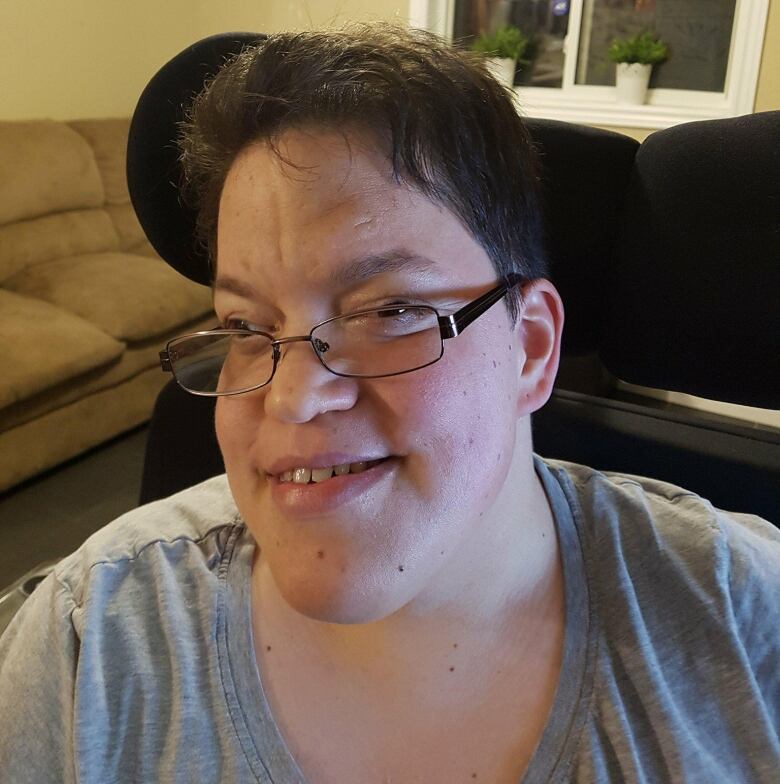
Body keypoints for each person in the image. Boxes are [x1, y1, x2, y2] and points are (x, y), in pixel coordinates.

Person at [1, 24, 778, 784]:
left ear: (532, 347)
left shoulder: (746, 618)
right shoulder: (88, 642)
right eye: (247, 325)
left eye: (389, 311)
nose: (294, 398)